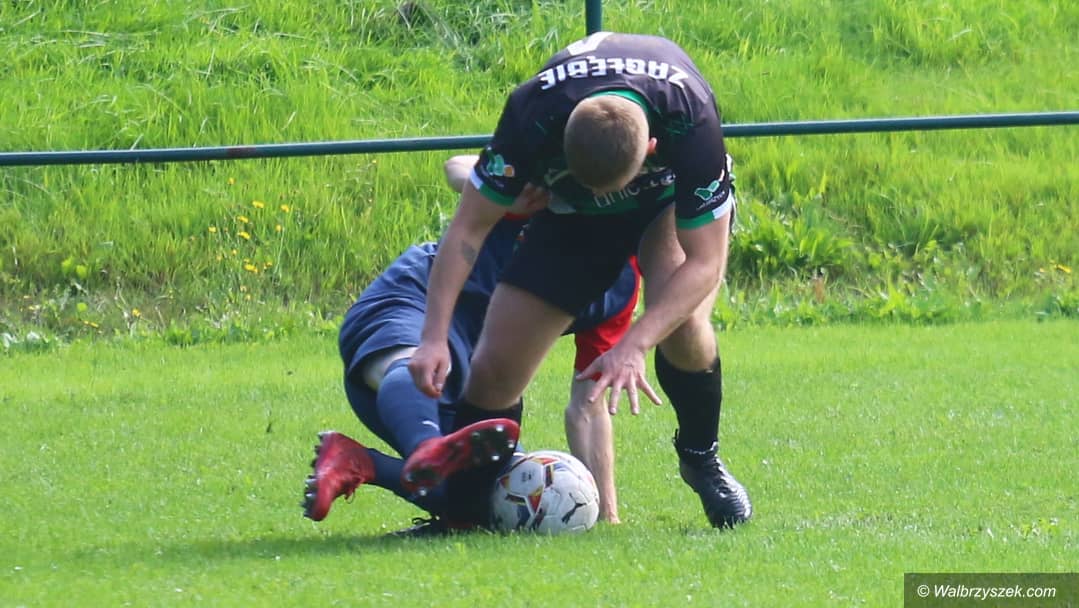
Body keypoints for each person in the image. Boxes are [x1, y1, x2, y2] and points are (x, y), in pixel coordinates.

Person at [404, 32, 752, 528]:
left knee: (683, 324)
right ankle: (462, 516)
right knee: (496, 364)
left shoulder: (690, 120)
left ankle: (701, 458)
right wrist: (433, 335)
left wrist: (634, 345)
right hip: (572, 214)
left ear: (652, 146)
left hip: (665, 199)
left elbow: (705, 264)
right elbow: (468, 228)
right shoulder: (531, 113)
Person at [302, 155, 640, 532]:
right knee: (418, 369)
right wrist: (503, 196)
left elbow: (588, 408)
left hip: (472, 377)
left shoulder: (620, 288)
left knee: (489, 498)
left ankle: (359, 461)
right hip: (415, 300)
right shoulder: (551, 190)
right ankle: (426, 446)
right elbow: (457, 165)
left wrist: (608, 515)